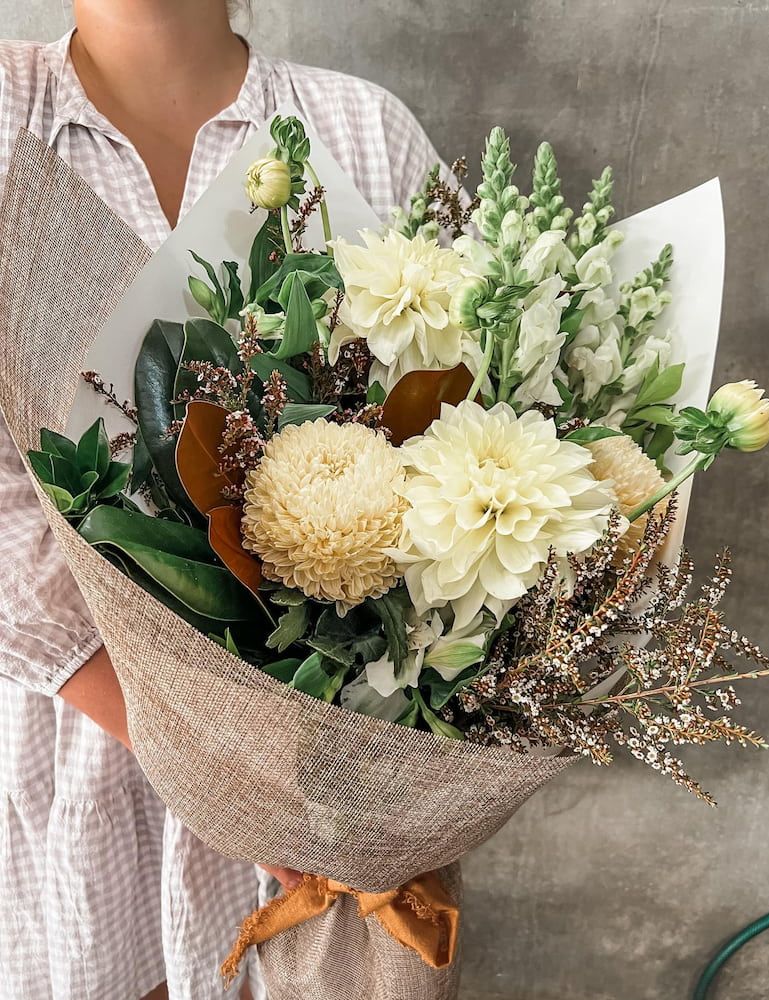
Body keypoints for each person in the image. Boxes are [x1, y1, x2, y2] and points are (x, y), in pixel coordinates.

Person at [0, 2, 446, 997]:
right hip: (80, 745)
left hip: (331, 779)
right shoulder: (4, 117)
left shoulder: (358, 130)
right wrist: (210, 763)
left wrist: (330, 783)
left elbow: (474, 422)